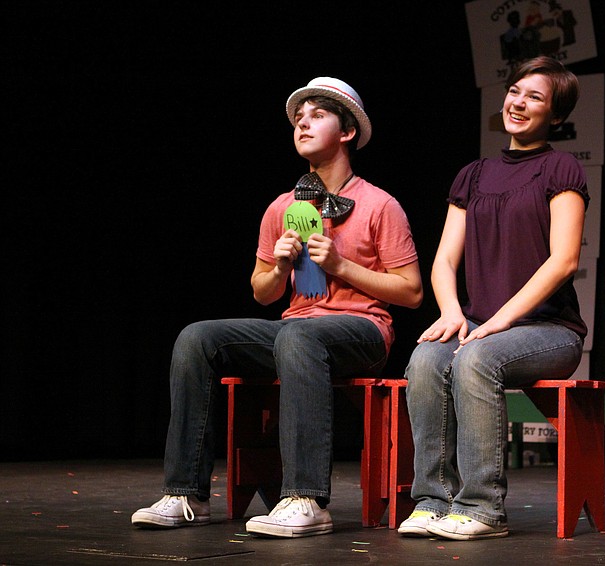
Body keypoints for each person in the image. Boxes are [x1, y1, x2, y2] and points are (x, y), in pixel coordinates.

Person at [131, 77, 423, 538]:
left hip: (362, 331)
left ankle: (305, 498)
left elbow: (410, 292)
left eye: (318, 115)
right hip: (295, 331)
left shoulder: (379, 204)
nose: (303, 123)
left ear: (347, 132)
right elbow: (262, 293)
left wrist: (342, 265)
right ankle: (186, 493)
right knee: (197, 336)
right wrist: (282, 266)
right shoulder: (282, 208)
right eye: (298, 118)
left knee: (298, 335)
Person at [398, 56, 588, 541]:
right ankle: (432, 500)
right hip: (481, 327)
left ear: (556, 115)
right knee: (424, 359)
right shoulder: (473, 175)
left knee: (475, 359)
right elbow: (443, 261)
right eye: (515, 91)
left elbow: (564, 260)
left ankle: (483, 507)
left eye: (535, 97)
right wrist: (451, 313)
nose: (518, 103)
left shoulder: (560, 167)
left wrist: (499, 320)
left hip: (548, 332)